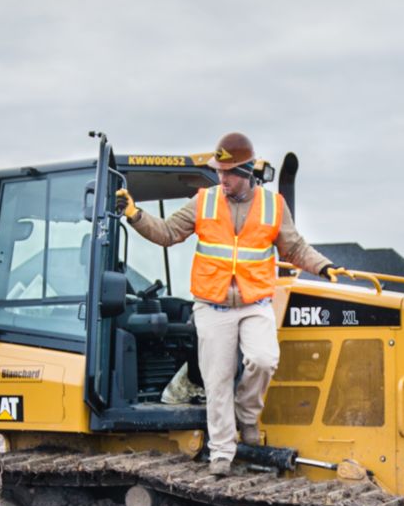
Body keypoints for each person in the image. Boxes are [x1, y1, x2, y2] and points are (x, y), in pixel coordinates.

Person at [120, 132, 338, 475]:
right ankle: (222, 450)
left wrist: (322, 265)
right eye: (219, 172)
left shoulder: (272, 206)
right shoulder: (204, 201)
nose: (222, 179)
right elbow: (166, 233)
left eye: (229, 173)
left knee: (264, 360)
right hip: (212, 306)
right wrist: (134, 215)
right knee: (217, 379)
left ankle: (247, 416)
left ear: (248, 171)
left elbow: (294, 248)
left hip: (255, 303)